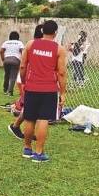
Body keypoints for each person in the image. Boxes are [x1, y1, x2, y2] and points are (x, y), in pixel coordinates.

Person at [19, 20, 67, 162]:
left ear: (42, 31)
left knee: (29, 118)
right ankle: (38, 153)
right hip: (49, 89)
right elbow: (62, 73)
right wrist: (63, 92)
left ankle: (27, 149)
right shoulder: (59, 49)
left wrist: (24, 82)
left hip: (31, 87)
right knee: (43, 119)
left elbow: (22, 66)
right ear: (56, 33)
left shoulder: (30, 44)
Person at [8, 25, 43, 139]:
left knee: (32, 108)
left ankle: (22, 129)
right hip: (30, 80)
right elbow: (24, 65)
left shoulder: (32, 45)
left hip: (30, 80)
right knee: (31, 107)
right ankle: (16, 126)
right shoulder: (34, 45)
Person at [0, 31, 24, 96]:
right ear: (18, 37)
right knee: (13, 76)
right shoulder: (19, 43)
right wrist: (22, 60)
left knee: (7, 75)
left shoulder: (6, 42)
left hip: (6, 60)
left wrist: (3, 59)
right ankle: (10, 92)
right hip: (15, 60)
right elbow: (22, 51)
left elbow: (1, 51)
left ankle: (5, 89)